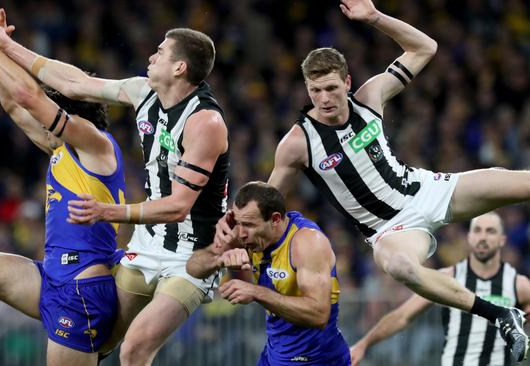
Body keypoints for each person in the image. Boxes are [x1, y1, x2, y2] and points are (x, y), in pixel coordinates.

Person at [266, 0, 529, 361]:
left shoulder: (371, 97)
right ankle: (501, 314)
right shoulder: (298, 142)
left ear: (347, 81)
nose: (324, 99)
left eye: (331, 88)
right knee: (400, 268)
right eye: (315, 91)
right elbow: (267, 205)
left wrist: (374, 17)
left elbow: (425, 48)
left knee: (517, 183)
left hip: (429, 190)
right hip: (390, 230)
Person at [0, 5, 229, 365]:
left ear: (179, 67)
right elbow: (73, 83)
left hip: (190, 256)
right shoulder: (143, 93)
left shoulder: (205, 122)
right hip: (146, 246)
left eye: (160, 51)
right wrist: (6, 45)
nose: (151, 54)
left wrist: (106, 212)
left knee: (134, 350)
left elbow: (179, 207)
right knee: (100, 341)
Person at [0, 5, 126, 365]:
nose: (42, 116)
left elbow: (29, 97)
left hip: (81, 289)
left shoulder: (95, 142)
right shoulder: (61, 148)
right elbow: (14, 104)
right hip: (53, 277)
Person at [187, 181, 351, 365]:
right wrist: (219, 260)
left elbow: (319, 314)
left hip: (315, 358)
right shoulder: (248, 236)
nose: (240, 233)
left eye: (248, 224)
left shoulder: (307, 242)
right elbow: (192, 267)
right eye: (238, 223)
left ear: (275, 219)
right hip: (275, 352)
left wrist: (255, 292)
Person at [350, 212, 530, 365]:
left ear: (502, 240)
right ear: (469, 238)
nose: (483, 237)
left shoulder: (519, 285)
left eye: (490, 231)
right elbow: (402, 316)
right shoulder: (448, 277)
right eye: (477, 230)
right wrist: (363, 344)